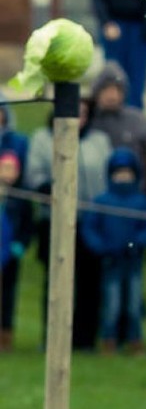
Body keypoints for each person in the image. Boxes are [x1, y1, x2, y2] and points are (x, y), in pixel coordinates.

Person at [26, 97, 111, 350]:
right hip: (52, 220)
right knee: (54, 282)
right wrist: (55, 192)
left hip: (89, 222)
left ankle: (85, 340)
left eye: (83, 113)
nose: (78, 118)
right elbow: (34, 175)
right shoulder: (42, 138)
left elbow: (105, 179)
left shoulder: (99, 141)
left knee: (89, 282)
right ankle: (52, 338)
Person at [80, 147, 146, 355]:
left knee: (133, 303)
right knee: (111, 304)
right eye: (118, 172)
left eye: (127, 172)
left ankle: (134, 340)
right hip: (111, 260)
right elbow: (90, 228)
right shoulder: (102, 201)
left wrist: (135, 245)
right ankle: (108, 340)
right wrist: (103, 248)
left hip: (133, 261)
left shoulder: (142, 201)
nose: (123, 177)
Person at [0, 150, 33, 351]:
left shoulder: (22, 197)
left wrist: (21, 244)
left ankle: (5, 335)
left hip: (11, 254)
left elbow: (28, 225)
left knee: (8, 295)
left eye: (11, 168)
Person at [88, 61, 146, 159]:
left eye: (117, 90)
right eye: (107, 89)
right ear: (97, 92)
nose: (112, 96)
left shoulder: (137, 121)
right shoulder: (88, 120)